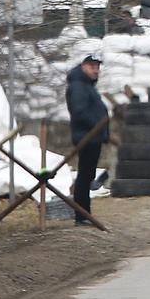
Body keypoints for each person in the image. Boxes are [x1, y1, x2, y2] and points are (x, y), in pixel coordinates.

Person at [64, 54, 108, 225]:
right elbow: (79, 111)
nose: (96, 70)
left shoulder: (87, 86)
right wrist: (97, 125)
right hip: (86, 137)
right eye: (92, 66)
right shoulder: (78, 86)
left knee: (88, 175)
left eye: (97, 67)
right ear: (83, 67)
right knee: (84, 176)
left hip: (93, 136)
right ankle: (81, 215)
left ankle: (84, 213)